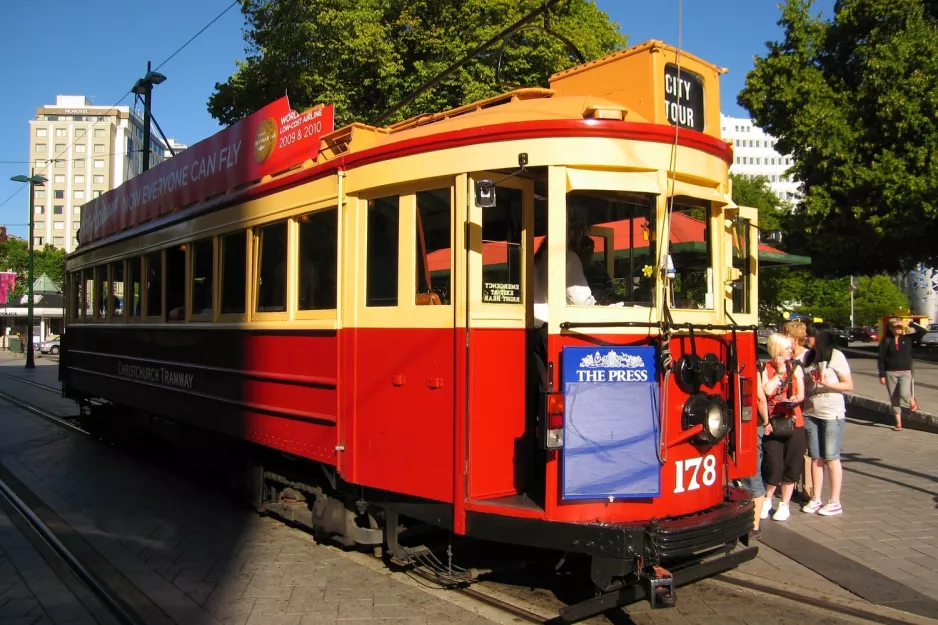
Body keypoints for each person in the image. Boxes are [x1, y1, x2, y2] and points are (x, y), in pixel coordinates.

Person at [801, 326, 853, 516]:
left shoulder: (836, 356)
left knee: (831, 457)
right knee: (816, 456)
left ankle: (835, 500)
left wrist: (827, 383)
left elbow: (849, 384)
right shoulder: (808, 356)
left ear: (819, 337)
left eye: (810, 336)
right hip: (811, 411)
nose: (807, 338)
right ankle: (816, 497)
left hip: (832, 412)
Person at [760, 333, 806, 522]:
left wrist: (796, 399)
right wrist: (779, 372)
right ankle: (767, 500)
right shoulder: (765, 368)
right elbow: (766, 391)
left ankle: (785, 504)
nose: (791, 351)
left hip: (795, 422)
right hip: (773, 422)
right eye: (787, 348)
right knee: (773, 464)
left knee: (792, 465)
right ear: (777, 350)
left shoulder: (796, 368)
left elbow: (801, 393)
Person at [738, 362, 770, 539]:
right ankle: (753, 523)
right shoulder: (752, 364)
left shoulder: (752, 366)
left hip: (749, 425)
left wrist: (765, 421)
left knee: (752, 473)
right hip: (750, 424)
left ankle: (755, 524)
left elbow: (760, 398)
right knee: (751, 472)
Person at [878, 318, 927, 430]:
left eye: (901, 327)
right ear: (891, 328)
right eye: (897, 327)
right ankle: (898, 423)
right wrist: (881, 374)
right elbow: (881, 359)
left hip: (905, 371)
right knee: (894, 398)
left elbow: (924, 331)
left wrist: (911, 323)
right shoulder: (886, 341)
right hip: (890, 373)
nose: (899, 329)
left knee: (904, 393)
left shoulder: (908, 339)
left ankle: (912, 401)